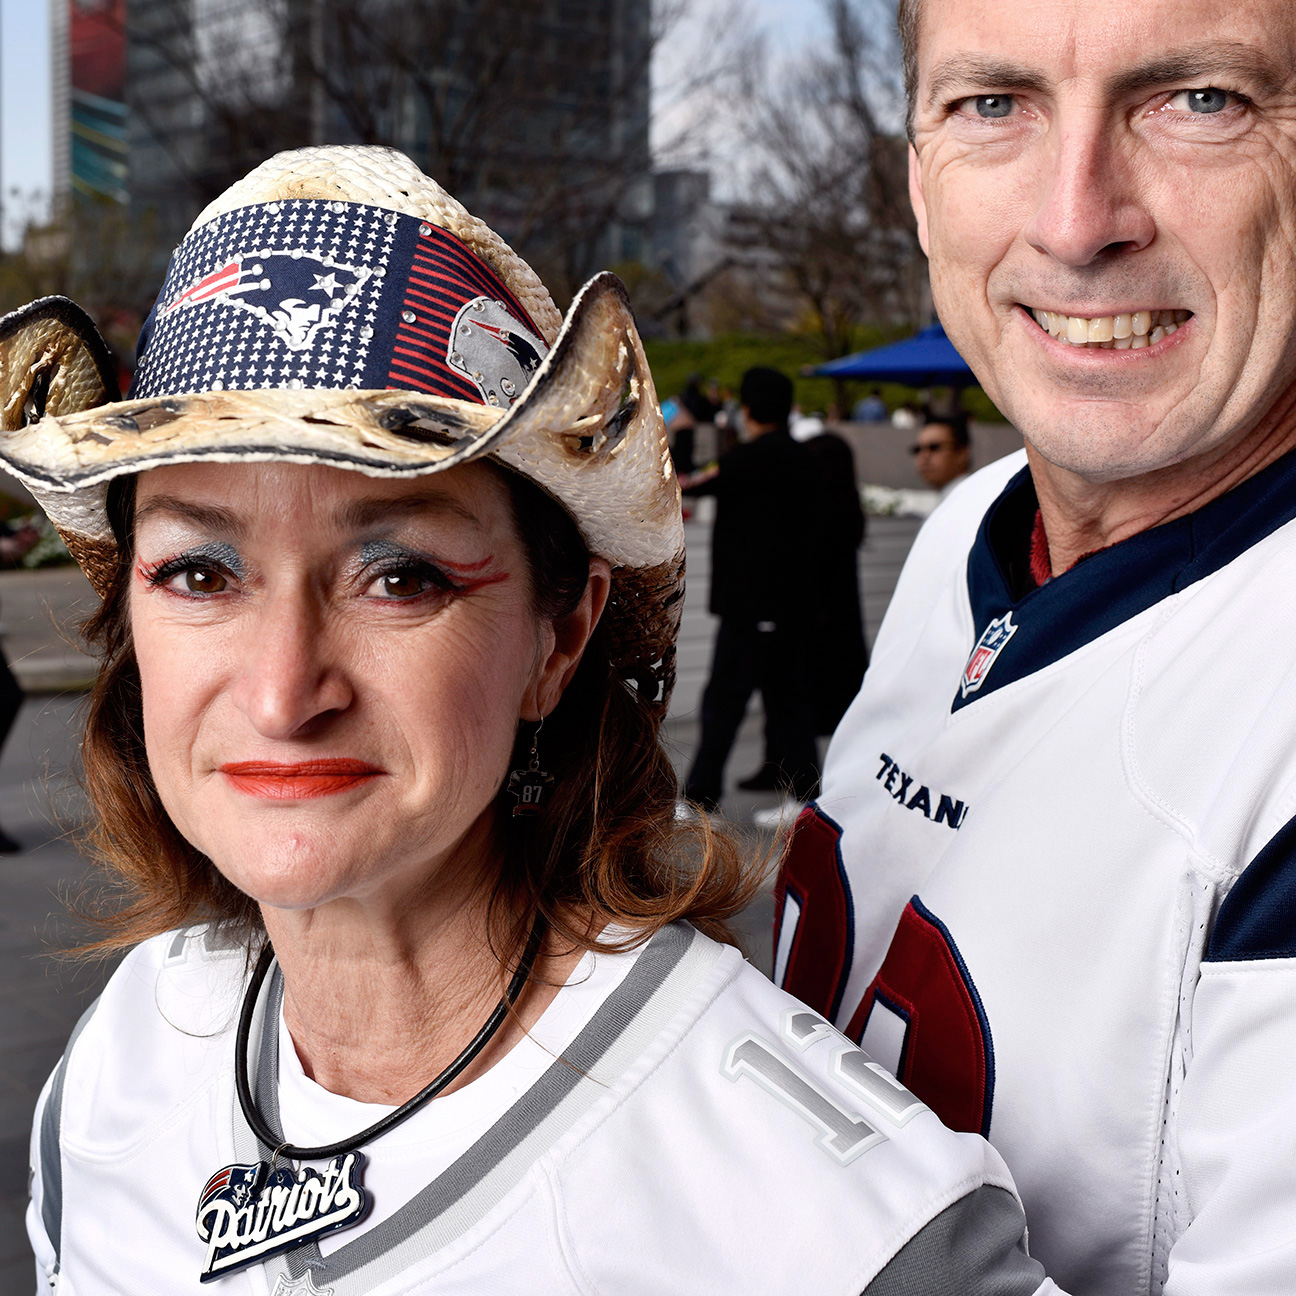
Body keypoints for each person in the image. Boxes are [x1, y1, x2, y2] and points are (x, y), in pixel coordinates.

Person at [5, 146, 1053, 1295]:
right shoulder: (127, 1059)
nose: (281, 691)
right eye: (201, 573)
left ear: (559, 638)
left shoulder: (824, 1219)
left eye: (398, 575)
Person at [775, 0, 1296, 1291]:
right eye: (991, 104)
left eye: (1198, 100)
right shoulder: (968, 529)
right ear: (914, 175)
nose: (1076, 220)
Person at [681, 367, 822, 813]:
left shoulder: (743, 460)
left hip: (748, 605)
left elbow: (689, 483)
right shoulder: (806, 460)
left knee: (723, 704)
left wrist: (688, 435)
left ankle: (701, 799)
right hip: (794, 604)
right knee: (788, 701)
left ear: (746, 410)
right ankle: (803, 797)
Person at [911, 411, 970, 496]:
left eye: (934, 448)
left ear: (962, 454)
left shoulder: (970, 496)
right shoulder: (947, 496)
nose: (924, 456)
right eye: (918, 449)